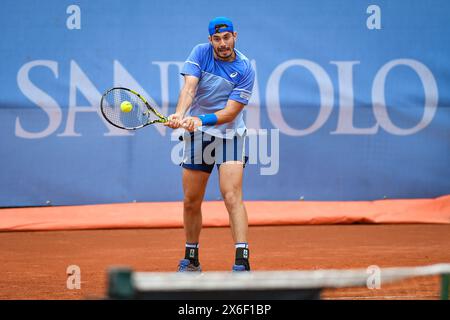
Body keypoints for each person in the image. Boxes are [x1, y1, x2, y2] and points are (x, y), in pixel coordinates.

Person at [164, 16, 255, 272]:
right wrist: (180, 114)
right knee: (191, 200)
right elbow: (189, 88)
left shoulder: (245, 68)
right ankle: (191, 259)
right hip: (199, 136)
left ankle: (242, 261)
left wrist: (199, 119)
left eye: (227, 37)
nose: (223, 43)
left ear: (235, 36)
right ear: (210, 40)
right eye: (217, 39)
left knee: (231, 195)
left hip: (230, 136)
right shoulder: (200, 53)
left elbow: (230, 113)